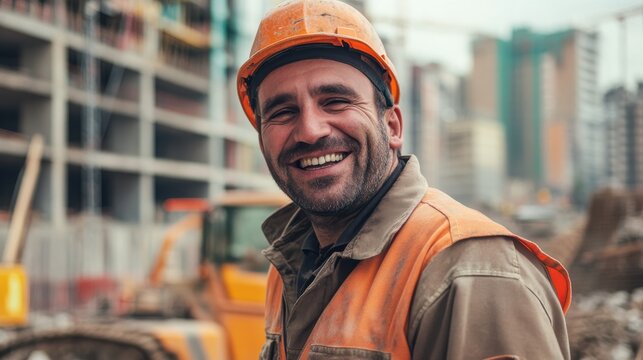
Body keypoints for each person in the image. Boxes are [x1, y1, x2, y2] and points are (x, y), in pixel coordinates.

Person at [236, 0, 571, 359]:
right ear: (262, 141)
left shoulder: (470, 271)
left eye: (335, 101)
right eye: (283, 112)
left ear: (393, 126)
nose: (310, 131)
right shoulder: (286, 267)